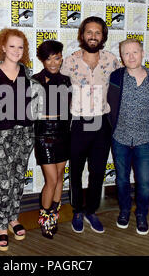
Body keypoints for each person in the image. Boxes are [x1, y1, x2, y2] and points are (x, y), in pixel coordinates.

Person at [60, 16, 120, 234]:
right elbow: (57, 86)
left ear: (103, 36)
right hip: (78, 123)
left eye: (97, 32)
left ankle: (91, 210)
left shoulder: (112, 60)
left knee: (98, 171)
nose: (93, 36)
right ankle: (77, 210)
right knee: (75, 171)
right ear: (82, 35)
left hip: (102, 123)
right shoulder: (70, 61)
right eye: (89, 32)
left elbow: (129, 76)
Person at [0, 28, 41, 251]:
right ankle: (1, 225)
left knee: (18, 179)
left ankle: (13, 218)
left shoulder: (28, 73)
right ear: (3, 48)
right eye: (12, 46)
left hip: (24, 135)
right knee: (4, 181)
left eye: (21, 47)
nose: (17, 51)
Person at [107, 39, 149, 235]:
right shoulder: (116, 77)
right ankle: (124, 211)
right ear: (121, 56)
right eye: (126, 53)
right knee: (121, 180)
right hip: (120, 138)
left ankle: (141, 214)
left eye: (135, 52)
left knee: (145, 181)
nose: (131, 57)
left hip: (144, 139)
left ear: (143, 53)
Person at [32, 40, 72, 239]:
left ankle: (54, 214)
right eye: (49, 59)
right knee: (52, 179)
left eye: (56, 58)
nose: (53, 63)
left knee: (60, 175)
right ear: (42, 60)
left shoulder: (66, 80)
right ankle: (44, 216)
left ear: (61, 57)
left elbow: (69, 109)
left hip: (64, 133)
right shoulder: (34, 80)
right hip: (44, 135)